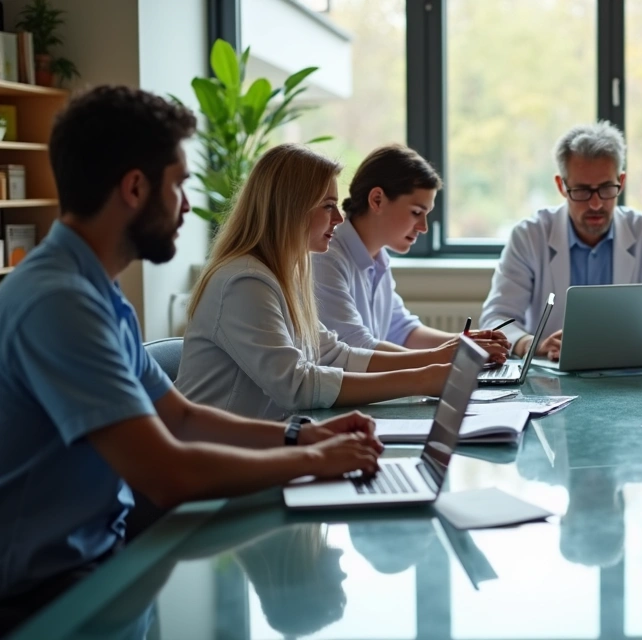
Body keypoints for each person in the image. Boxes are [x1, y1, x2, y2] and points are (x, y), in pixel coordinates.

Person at [0, 86, 382, 634]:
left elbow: (180, 418)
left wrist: (304, 439)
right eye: (178, 184)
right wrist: (313, 463)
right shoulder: (58, 302)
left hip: (98, 568)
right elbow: (168, 472)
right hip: (49, 600)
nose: (186, 204)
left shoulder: (94, 292)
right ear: (135, 187)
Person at [177, 144, 452, 420]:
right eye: (328, 206)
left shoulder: (282, 274)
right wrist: (420, 379)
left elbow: (334, 355)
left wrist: (435, 360)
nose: (339, 218)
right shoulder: (244, 282)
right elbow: (296, 386)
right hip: (218, 454)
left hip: (263, 445)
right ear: (291, 208)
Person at [480, 121, 642, 361]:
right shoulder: (529, 236)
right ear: (562, 186)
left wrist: (623, 342)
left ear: (621, 182)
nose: (596, 204)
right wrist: (533, 344)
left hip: (629, 377)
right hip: (549, 382)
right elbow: (496, 320)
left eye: (606, 189)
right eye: (582, 191)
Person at [313, 144, 509, 363]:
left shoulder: (378, 260)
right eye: (416, 212)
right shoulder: (326, 257)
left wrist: (467, 342)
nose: (423, 227)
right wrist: (445, 356)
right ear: (377, 199)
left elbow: (402, 330)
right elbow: (355, 346)